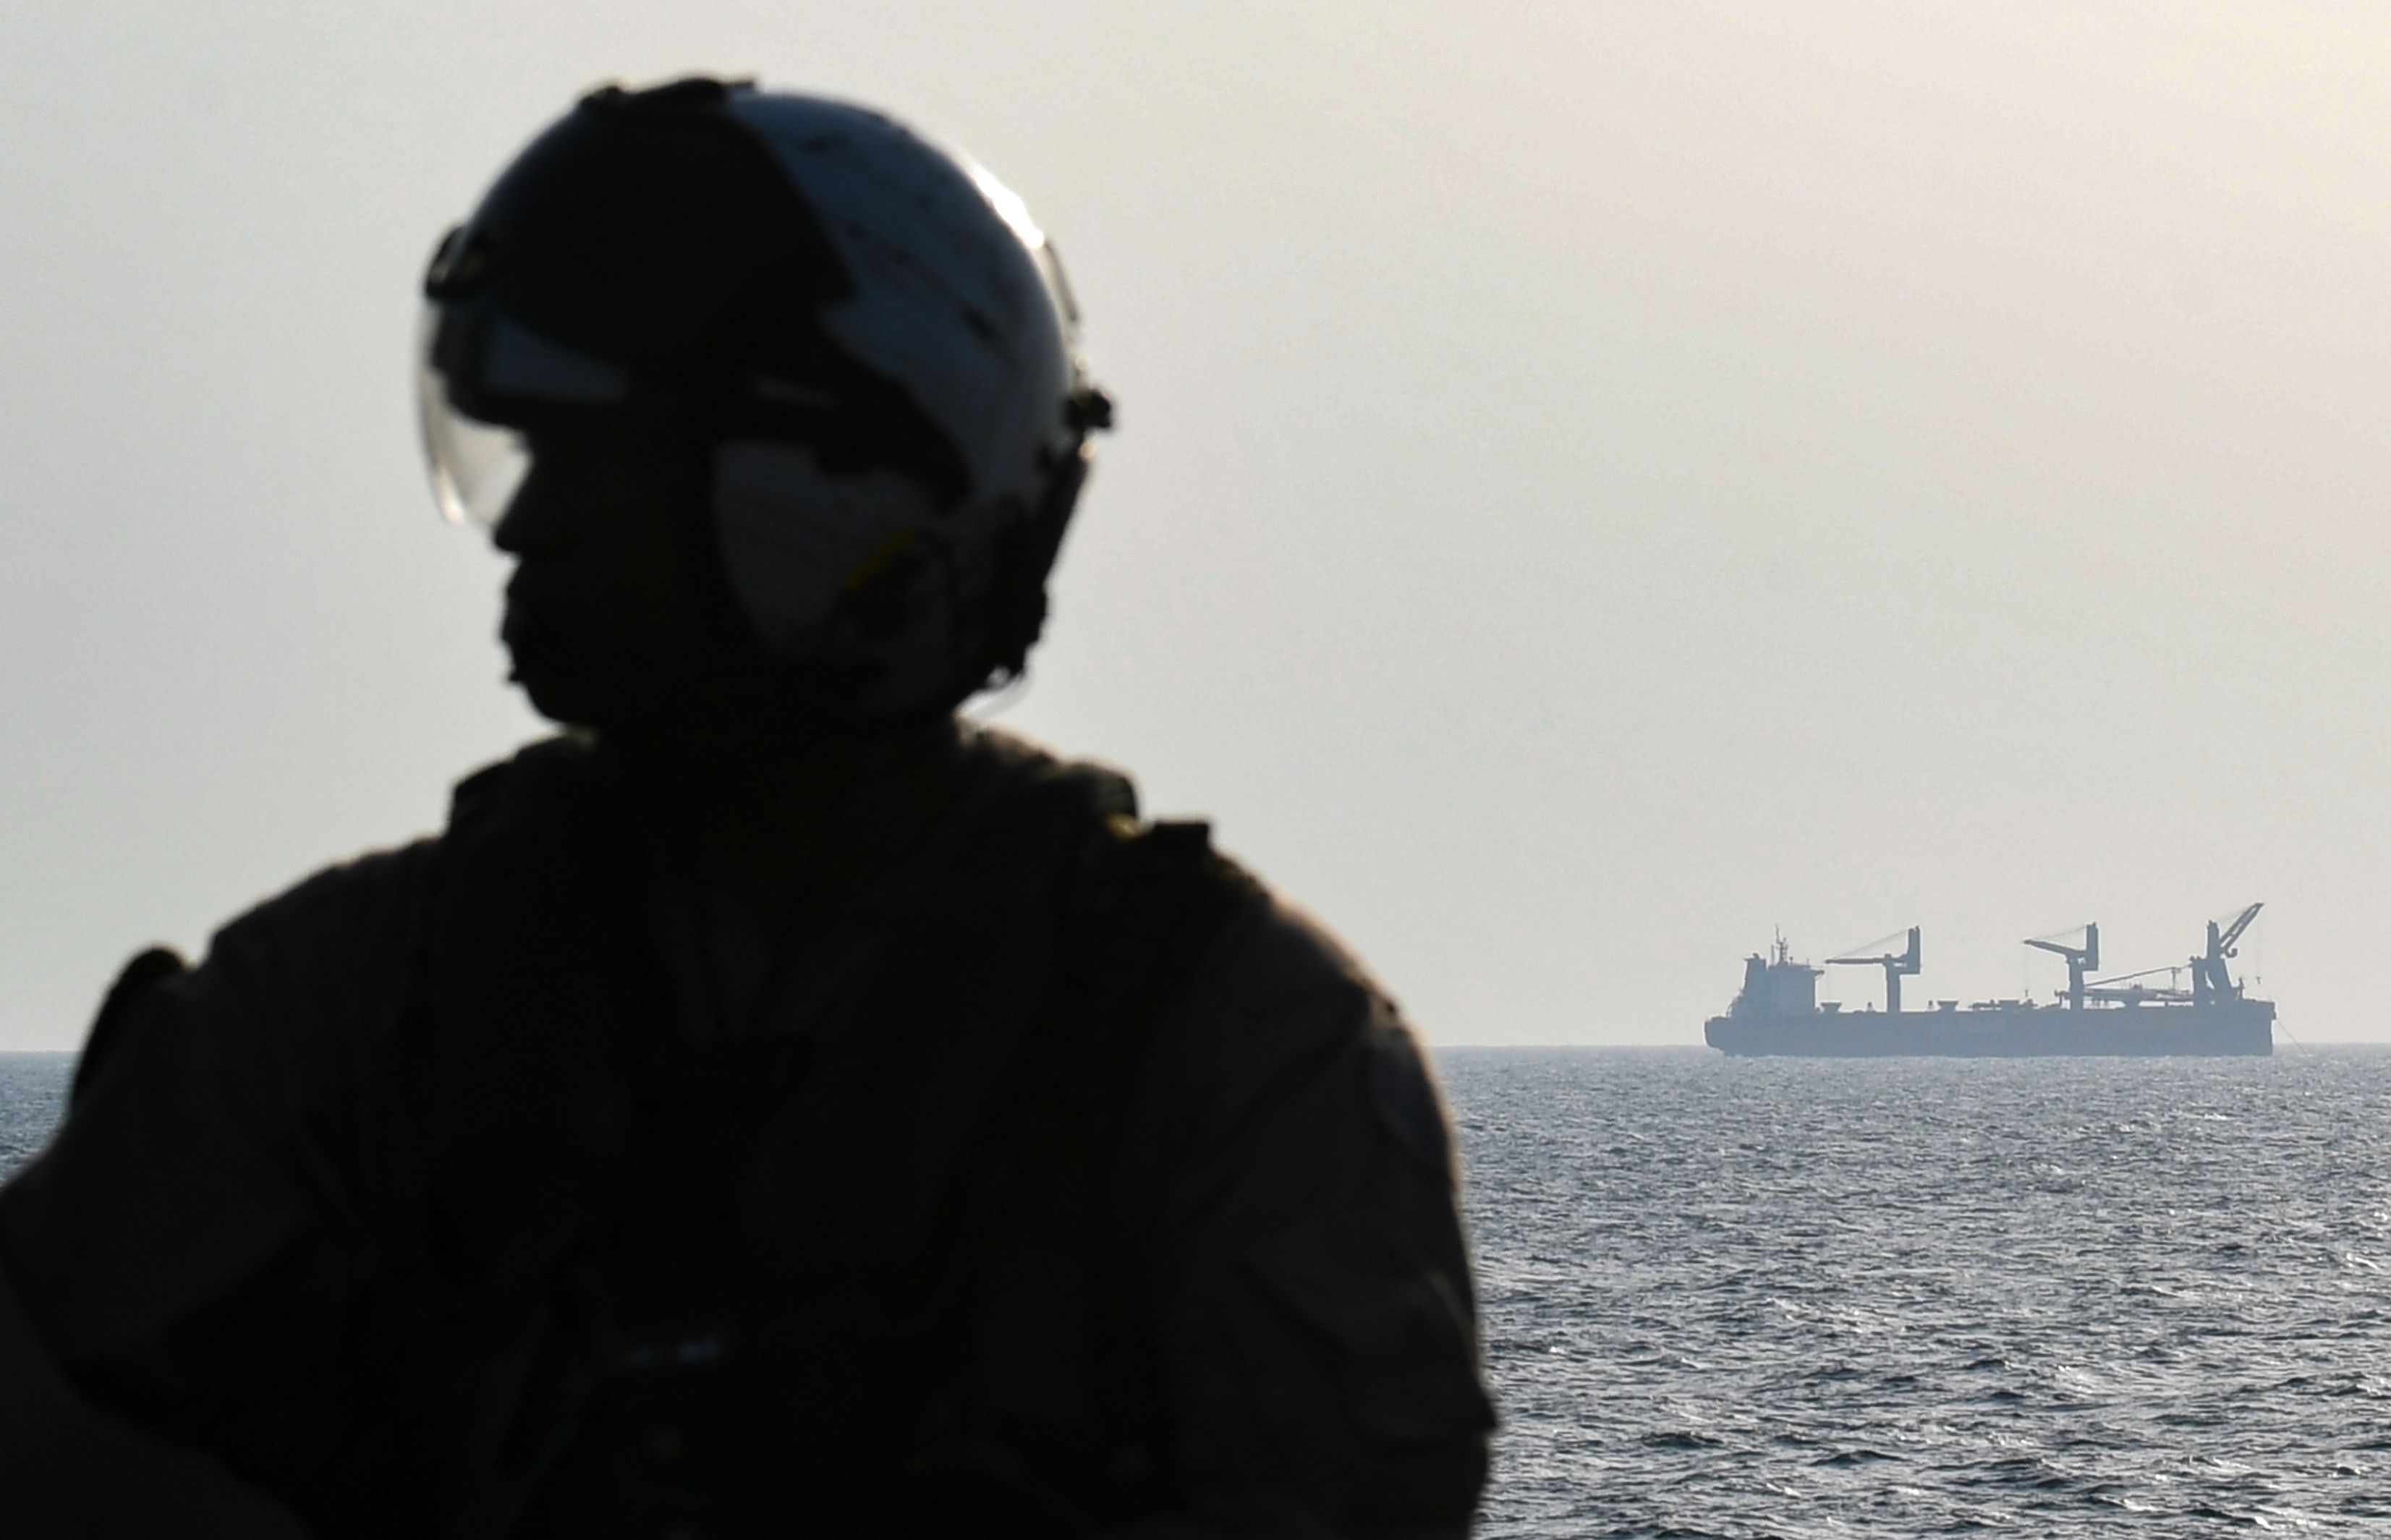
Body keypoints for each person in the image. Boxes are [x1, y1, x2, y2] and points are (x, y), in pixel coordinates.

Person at [0, 78, 1494, 1538]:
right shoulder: (348, 1003)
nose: (528, 525)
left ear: (822, 493)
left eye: (592, 457)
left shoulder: (1223, 1049)